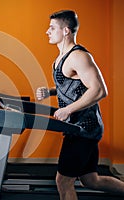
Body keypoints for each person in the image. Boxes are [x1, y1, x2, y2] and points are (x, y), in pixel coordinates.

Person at [36, 10, 124, 200]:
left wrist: (67, 109)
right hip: (78, 127)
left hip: (84, 129)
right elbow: (74, 86)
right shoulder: (60, 58)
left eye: (52, 28)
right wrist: (51, 91)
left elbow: (99, 90)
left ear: (66, 30)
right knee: (91, 180)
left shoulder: (79, 56)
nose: (47, 31)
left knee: (63, 181)